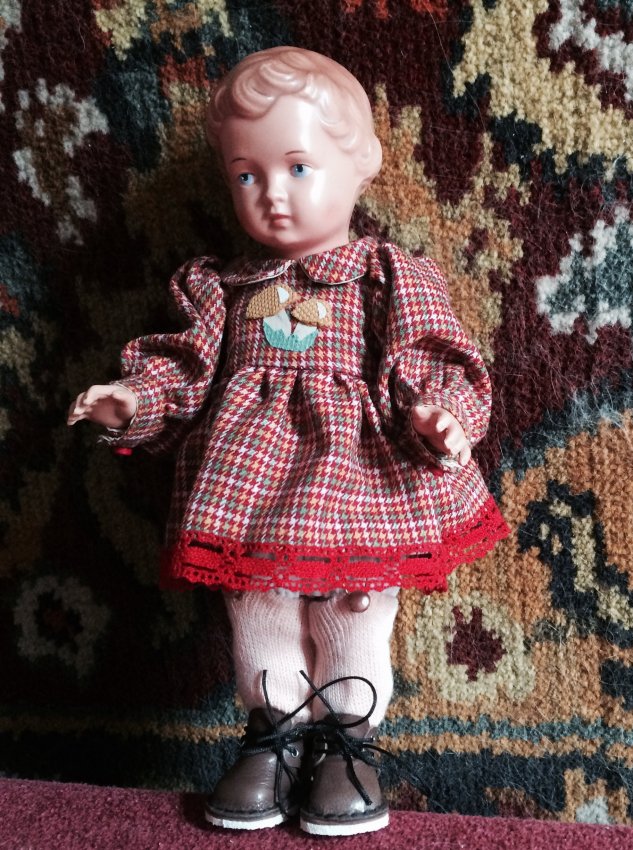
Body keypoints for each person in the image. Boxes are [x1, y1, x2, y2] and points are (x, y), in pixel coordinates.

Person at [67, 46, 509, 836]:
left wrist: (441, 414)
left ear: (362, 163)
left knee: (356, 602)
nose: (272, 195)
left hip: (360, 479)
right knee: (258, 602)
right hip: (251, 485)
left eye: (298, 167)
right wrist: (131, 399)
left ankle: (347, 742)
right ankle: (272, 733)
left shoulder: (387, 274)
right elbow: (186, 366)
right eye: (247, 175)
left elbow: (430, 354)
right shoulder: (219, 287)